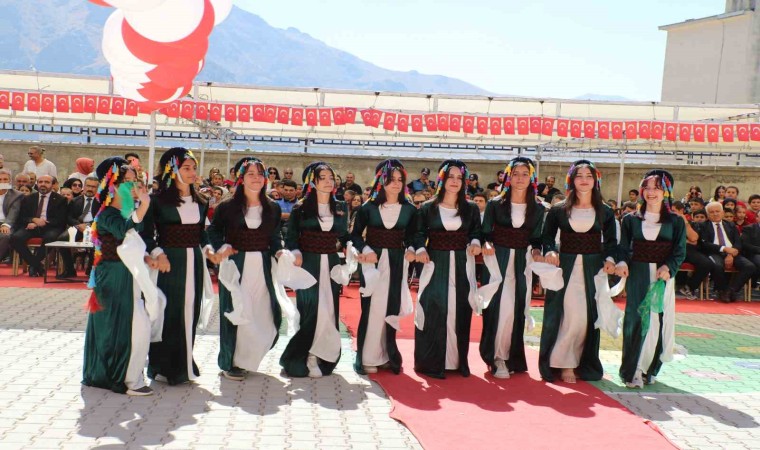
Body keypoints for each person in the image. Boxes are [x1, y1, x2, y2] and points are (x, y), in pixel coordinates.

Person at [141, 147, 216, 385]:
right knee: (168, 313)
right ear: (172, 171)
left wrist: (208, 250)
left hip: (194, 261)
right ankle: (161, 365)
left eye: (194, 168)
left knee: (190, 311)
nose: (193, 172)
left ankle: (184, 363)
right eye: (186, 168)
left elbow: (201, 234)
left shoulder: (201, 201)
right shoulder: (157, 201)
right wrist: (158, 253)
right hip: (169, 262)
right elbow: (145, 234)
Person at [539, 160, 617, 383]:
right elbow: (546, 237)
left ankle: (581, 361)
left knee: (586, 317)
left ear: (595, 180)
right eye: (579, 175)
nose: (584, 180)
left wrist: (610, 259)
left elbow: (612, 242)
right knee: (567, 315)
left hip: (593, 270)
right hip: (565, 267)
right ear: (571, 180)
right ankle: (564, 364)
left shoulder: (605, 211)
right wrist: (550, 251)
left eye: (589, 176)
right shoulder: (558, 210)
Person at [82, 157, 155, 396]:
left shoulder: (125, 211)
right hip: (113, 274)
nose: (134, 187)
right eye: (128, 182)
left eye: (135, 181)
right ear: (112, 185)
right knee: (118, 323)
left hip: (126, 274)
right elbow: (124, 229)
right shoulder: (107, 214)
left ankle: (128, 373)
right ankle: (120, 377)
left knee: (134, 322)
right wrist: (144, 205)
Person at [207, 157, 284, 381]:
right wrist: (221, 247)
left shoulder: (273, 207)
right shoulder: (227, 207)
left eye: (260, 174)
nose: (256, 178)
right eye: (250, 174)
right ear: (241, 178)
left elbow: (274, 236)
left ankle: (248, 358)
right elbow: (213, 231)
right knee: (236, 310)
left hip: (262, 266)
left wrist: (279, 251)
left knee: (261, 311)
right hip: (235, 265)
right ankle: (230, 362)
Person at [615, 170, 686, 388]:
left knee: (657, 321)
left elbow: (679, 251)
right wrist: (622, 262)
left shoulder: (676, 221)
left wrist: (668, 267)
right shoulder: (630, 220)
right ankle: (633, 370)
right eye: (647, 187)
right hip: (638, 276)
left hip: (662, 278)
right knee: (636, 319)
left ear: (666, 192)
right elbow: (623, 248)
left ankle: (650, 368)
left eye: (657, 188)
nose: (651, 192)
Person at [413, 159, 482, 379]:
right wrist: (420, 248)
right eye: (450, 177)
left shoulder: (471, 208)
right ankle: (431, 362)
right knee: (433, 307)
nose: (455, 181)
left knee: (460, 309)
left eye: (459, 178)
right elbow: (418, 234)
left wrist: (475, 242)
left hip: (462, 265)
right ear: (442, 179)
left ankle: (457, 362)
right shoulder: (428, 208)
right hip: (436, 264)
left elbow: (476, 232)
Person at [280, 162, 349, 378]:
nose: (329, 182)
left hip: (331, 262)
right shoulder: (301, 208)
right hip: (308, 263)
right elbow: (291, 236)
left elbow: (344, 235)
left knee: (329, 309)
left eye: (331, 177)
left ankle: (323, 354)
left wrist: (352, 247)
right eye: (323, 178)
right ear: (313, 182)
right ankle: (306, 354)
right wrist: (295, 252)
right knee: (310, 309)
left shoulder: (341, 206)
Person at [350, 159, 417, 375]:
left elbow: (413, 236)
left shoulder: (410, 210)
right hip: (373, 263)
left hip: (397, 262)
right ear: (381, 181)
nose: (396, 184)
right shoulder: (368, 208)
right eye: (391, 180)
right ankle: (368, 357)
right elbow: (354, 235)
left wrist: (412, 248)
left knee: (391, 307)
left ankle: (387, 355)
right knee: (372, 308)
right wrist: (365, 248)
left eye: (400, 180)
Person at [480, 157, 545, 379]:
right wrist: (487, 243)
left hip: (521, 264)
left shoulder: (538, 208)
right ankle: (496, 356)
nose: (520, 178)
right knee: (498, 307)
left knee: (516, 308)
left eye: (525, 174)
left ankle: (510, 356)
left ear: (531, 178)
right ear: (508, 177)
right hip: (497, 261)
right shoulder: (495, 204)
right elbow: (485, 233)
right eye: (515, 174)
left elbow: (536, 239)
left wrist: (537, 251)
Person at [9, 175, 68, 277]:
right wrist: (33, 220)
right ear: (37, 184)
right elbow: (21, 217)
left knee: (50, 238)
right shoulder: (28, 198)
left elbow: (61, 220)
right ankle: (36, 265)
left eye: (46, 182)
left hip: (50, 227)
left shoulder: (60, 200)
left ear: (53, 185)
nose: (43, 184)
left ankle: (33, 265)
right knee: (15, 238)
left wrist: (45, 222)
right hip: (31, 226)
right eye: (40, 182)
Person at [697, 202, 755, 302]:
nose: (715, 214)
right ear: (707, 215)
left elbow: (738, 242)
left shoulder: (731, 225)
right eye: (712, 212)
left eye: (717, 211)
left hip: (732, 253)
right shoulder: (703, 226)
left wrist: (730, 254)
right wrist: (724, 248)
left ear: (723, 213)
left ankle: (730, 291)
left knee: (749, 266)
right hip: (714, 252)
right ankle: (721, 290)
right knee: (717, 265)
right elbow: (704, 244)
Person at [58, 176, 100, 278]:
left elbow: (102, 217)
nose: (90, 189)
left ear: (97, 188)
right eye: (88, 186)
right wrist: (78, 225)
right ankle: (69, 270)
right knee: (61, 240)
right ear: (84, 187)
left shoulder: (101, 202)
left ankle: (91, 270)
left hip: (94, 228)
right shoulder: (75, 201)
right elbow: (69, 217)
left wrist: (89, 226)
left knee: (97, 241)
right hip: (77, 227)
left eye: (93, 187)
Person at [0, 169, 22, 261]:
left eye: (5, 179)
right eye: (0, 179)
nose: (2, 182)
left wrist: (6, 225)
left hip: (7, 223)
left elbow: (14, 211)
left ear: (10, 181)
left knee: (5, 235)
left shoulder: (16, 195)